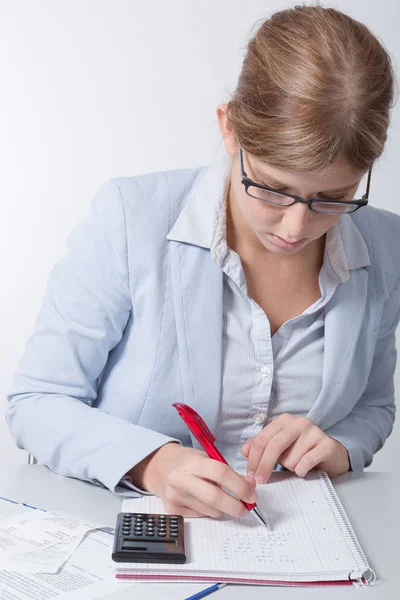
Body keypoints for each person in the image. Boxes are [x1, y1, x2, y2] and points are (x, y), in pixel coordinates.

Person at [6, 4, 400, 520]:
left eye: (333, 197)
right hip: (136, 545)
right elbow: (37, 401)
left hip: (307, 550)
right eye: (274, 189)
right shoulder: (131, 219)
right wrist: (153, 463)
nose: (296, 228)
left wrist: (340, 446)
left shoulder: (386, 246)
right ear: (229, 128)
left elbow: (373, 405)